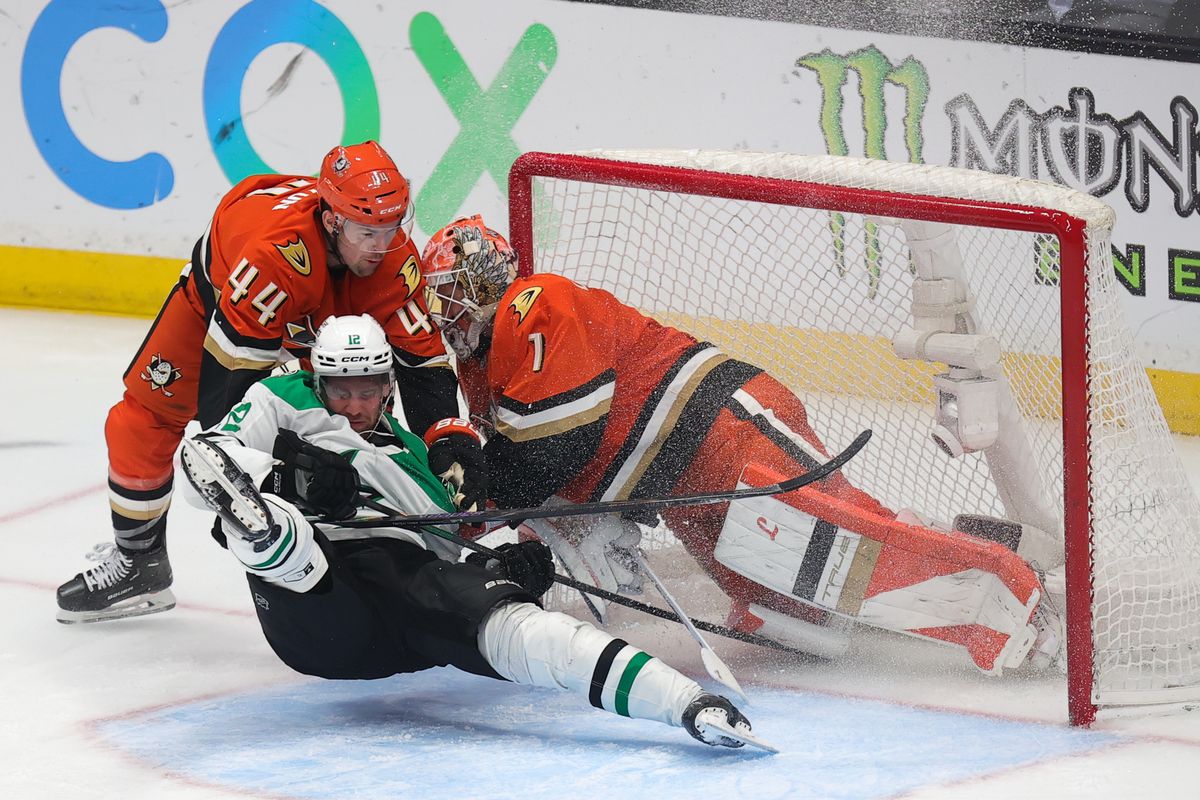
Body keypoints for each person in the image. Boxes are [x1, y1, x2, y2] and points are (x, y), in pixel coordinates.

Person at [419, 216, 1067, 676]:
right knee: (798, 605)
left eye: (453, 292)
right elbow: (534, 469)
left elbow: (557, 450)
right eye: (438, 299)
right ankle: (972, 579)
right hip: (677, 489)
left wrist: (489, 499)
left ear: (486, 280)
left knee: (843, 543)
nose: (446, 311)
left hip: (721, 427)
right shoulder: (476, 370)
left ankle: (1021, 588)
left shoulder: (534, 304)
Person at [177, 314, 762, 751]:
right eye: (340, 390)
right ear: (317, 379)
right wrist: (287, 478)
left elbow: (456, 547)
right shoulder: (280, 402)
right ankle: (266, 532)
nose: (353, 405)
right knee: (288, 539)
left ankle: (690, 706)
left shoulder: (415, 459)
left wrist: (506, 567)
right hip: (319, 603)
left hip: (404, 603)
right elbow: (198, 461)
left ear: (387, 386)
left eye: (367, 390)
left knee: (519, 625)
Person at [56, 141, 486, 624]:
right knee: (141, 423)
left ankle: (372, 545)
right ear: (332, 221)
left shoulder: (389, 257)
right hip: (224, 302)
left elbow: (422, 365)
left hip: (314, 311)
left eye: (393, 228)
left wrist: (450, 439)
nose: (382, 246)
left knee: (351, 414)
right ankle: (139, 561)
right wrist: (237, 494)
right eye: (368, 232)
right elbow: (230, 399)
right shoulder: (272, 258)